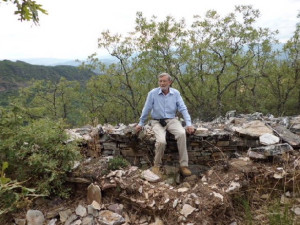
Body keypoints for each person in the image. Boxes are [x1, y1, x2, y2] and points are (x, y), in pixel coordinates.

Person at [135, 72, 195, 177]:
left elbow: (183, 108)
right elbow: (147, 108)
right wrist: (141, 123)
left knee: (181, 133)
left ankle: (184, 165)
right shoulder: (152, 93)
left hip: (172, 120)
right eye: (160, 81)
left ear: (170, 82)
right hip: (157, 121)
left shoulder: (176, 93)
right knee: (161, 141)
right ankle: (156, 165)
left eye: (164, 81)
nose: (162, 83)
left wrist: (189, 124)